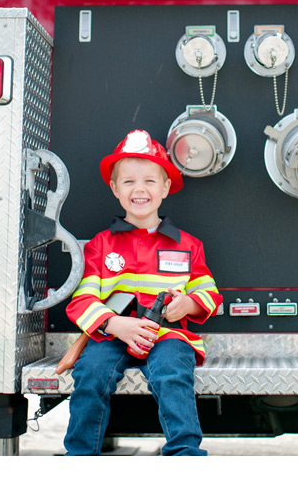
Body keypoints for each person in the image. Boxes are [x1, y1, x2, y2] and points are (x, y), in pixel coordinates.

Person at [63, 129, 223, 455]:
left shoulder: (187, 245)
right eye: (129, 182)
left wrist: (188, 305)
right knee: (89, 374)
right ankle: (79, 455)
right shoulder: (101, 244)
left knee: (173, 377)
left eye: (150, 181)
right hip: (112, 335)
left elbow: (210, 294)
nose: (140, 190)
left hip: (167, 335)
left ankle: (185, 455)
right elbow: (81, 301)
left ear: (165, 188)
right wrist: (114, 324)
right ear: (115, 188)